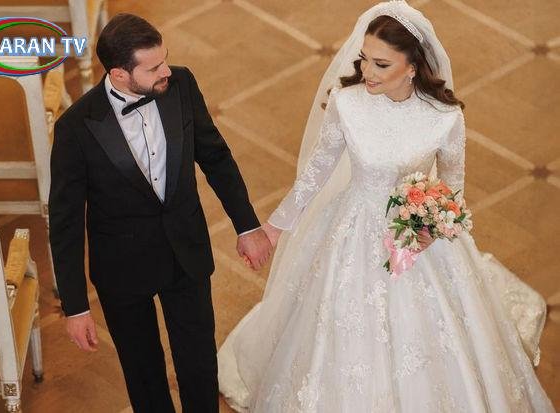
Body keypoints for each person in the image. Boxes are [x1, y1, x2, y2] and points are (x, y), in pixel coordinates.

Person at [217, 1, 555, 411]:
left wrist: (428, 231)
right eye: (364, 59)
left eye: (381, 64)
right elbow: (315, 173)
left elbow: (452, 190)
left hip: (418, 244)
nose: (367, 72)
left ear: (412, 67)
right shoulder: (347, 103)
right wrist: (272, 228)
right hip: (352, 233)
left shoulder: (444, 117)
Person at [49, 13, 272, 413]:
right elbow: (65, 223)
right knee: (144, 374)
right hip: (122, 268)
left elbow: (216, 156)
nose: (166, 71)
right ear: (119, 74)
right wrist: (76, 306)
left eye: (164, 59)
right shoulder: (75, 128)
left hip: (186, 250)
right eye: (153, 68)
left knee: (199, 364)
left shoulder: (180, 84)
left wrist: (247, 226)